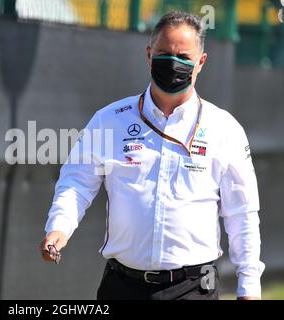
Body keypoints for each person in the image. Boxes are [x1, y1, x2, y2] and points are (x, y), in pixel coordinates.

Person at [39, 11, 265, 300]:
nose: (173, 62)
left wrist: (250, 286)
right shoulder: (110, 120)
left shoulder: (224, 128)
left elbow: (242, 212)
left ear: (201, 62)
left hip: (194, 287)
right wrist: (59, 227)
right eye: (163, 53)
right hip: (122, 285)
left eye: (183, 56)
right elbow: (76, 181)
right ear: (148, 55)